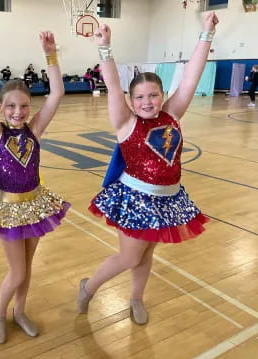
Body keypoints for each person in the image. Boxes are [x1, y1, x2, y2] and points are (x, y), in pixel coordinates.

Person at [77, 12, 218, 324]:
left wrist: (206, 33)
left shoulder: (172, 114)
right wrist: (105, 49)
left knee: (146, 255)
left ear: (163, 95)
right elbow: (113, 86)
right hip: (136, 199)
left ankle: (136, 298)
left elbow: (192, 77)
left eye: (153, 94)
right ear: (131, 100)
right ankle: (90, 286)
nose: (147, 101)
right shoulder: (126, 123)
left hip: (168, 198)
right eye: (139, 96)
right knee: (129, 256)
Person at [0, 17, 70, 344]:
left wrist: (50, 55)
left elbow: (57, 92)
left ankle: (20, 311)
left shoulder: (34, 130)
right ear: (0, 108)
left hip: (36, 205)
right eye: (10, 106)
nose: (18, 111)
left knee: (27, 267)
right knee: (18, 271)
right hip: (8, 210)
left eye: (24, 105)